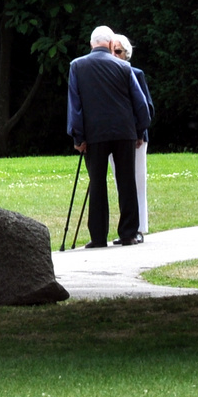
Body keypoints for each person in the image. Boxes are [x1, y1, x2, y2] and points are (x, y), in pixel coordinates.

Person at [66, 25, 151, 247]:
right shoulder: (124, 67)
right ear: (112, 44)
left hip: (95, 134)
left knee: (97, 182)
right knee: (126, 182)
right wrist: (140, 129)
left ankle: (98, 236)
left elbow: (75, 107)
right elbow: (140, 103)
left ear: (91, 43)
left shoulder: (77, 66)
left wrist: (78, 137)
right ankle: (129, 233)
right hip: (124, 132)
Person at [110, 34, 153, 237]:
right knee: (121, 182)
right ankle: (128, 225)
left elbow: (145, 107)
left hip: (135, 138)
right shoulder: (105, 76)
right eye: (111, 51)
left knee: (137, 181)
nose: (114, 55)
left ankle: (139, 226)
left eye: (118, 51)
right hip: (114, 136)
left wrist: (139, 132)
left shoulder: (136, 73)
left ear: (126, 54)